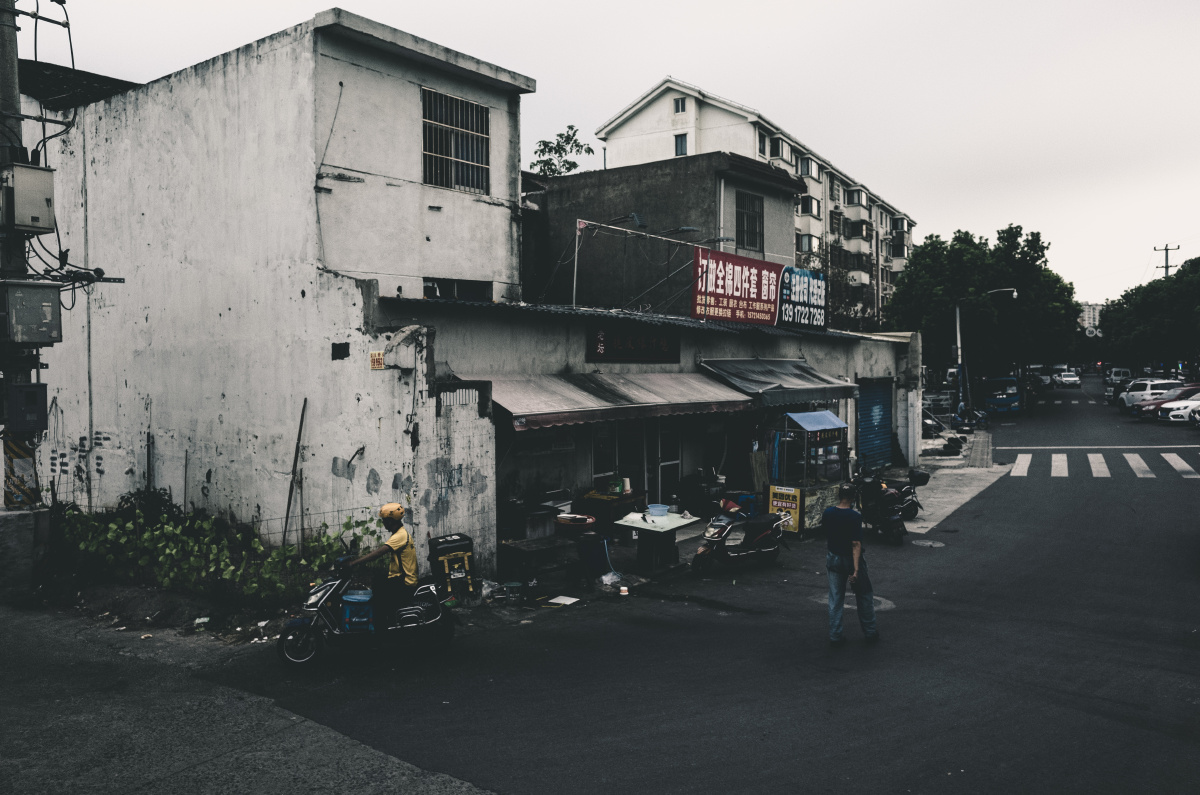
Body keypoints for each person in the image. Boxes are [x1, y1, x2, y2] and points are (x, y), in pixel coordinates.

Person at [823, 483, 879, 646]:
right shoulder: (854, 516)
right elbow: (855, 544)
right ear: (853, 498)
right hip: (851, 559)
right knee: (864, 596)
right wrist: (855, 569)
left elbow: (827, 533)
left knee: (835, 598)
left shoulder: (828, 513)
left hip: (833, 558)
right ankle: (870, 632)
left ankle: (835, 636)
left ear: (839, 496)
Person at [347, 503, 418, 624]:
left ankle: (381, 630)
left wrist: (353, 563)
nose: (383, 523)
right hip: (401, 577)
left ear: (391, 521)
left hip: (404, 581)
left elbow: (378, 553)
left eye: (384, 521)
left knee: (378, 599)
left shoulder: (399, 536)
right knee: (377, 580)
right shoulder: (400, 533)